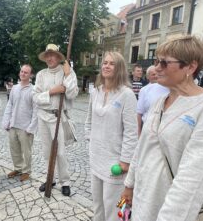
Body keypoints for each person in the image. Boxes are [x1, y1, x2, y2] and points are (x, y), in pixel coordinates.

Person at [122, 35, 203, 221]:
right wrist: (129, 185)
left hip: (169, 209)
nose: (157, 67)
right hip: (142, 200)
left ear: (190, 67)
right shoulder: (159, 102)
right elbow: (142, 148)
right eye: (157, 61)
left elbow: (192, 180)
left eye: (164, 63)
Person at [85, 52, 138, 221]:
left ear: (120, 68)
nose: (106, 66)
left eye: (112, 64)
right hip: (96, 159)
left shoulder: (127, 94)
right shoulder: (96, 92)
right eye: (105, 63)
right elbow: (88, 121)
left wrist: (125, 161)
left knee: (116, 210)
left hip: (115, 163)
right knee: (97, 205)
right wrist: (91, 142)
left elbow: (132, 131)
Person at [33, 44, 78, 196]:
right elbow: (35, 97)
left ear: (59, 57)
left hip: (57, 116)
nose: (50, 58)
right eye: (48, 55)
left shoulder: (67, 73)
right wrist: (53, 91)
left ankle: (65, 181)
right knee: (46, 151)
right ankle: (50, 178)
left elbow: (72, 94)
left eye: (53, 55)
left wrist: (68, 75)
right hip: (42, 116)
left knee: (60, 152)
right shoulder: (40, 75)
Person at [2, 64, 37, 182]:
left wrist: (31, 128)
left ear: (30, 75)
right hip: (13, 125)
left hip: (25, 127)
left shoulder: (34, 90)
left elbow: (36, 110)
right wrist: (6, 122)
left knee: (26, 151)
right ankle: (18, 168)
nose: (23, 74)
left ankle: (26, 171)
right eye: (21, 71)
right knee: (14, 149)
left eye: (26, 72)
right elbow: (9, 105)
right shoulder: (14, 88)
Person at [137, 65, 169, 136]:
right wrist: (138, 133)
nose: (156, 76)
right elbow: (139, 113)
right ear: (148, 77)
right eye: (153, 74)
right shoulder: (144, 90)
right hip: (147, 128)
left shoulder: (168, 88)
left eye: (157, 73)